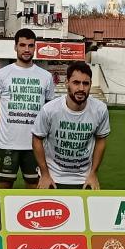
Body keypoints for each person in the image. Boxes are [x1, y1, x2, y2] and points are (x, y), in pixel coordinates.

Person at [0, 28, 56, 189]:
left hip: (35, 144)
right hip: (7, 144)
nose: (26, 49)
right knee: (4, 185)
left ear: (35, 47)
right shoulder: (1, 74)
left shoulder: (45, 77)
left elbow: (49, 111)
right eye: (22, 45)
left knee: (34, 186)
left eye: (30, 46)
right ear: (15, 46)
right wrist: (2, 127)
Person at [32, 62, 110, 190]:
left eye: (86, 83)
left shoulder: (100, 110)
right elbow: (36, 139)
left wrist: (93, 173)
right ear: (66, 83)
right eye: (76, 82)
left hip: (84, 178)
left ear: (90, 84)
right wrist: (45, 174)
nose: (81, 88)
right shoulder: (50, 110)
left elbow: (101, 139)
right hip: (53, 177)